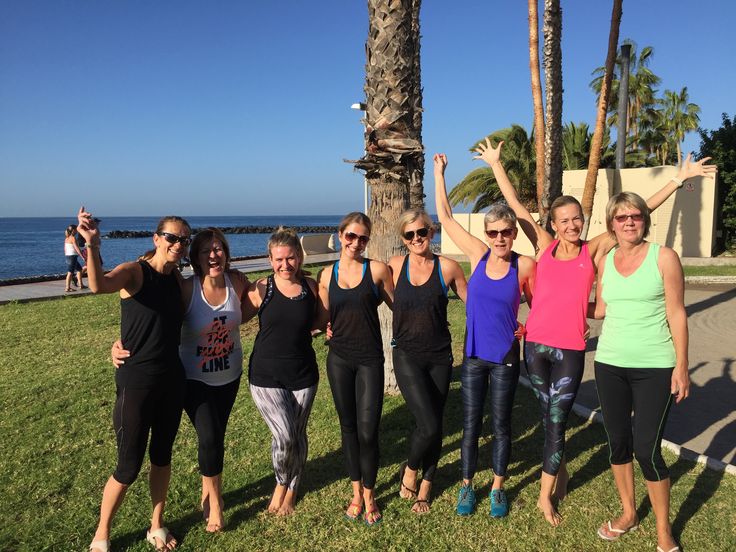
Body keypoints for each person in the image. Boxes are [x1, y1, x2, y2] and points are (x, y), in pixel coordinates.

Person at [474, 138, 716, 525]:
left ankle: (543, 496)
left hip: (570, 348)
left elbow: (636, 212)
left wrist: (678, 179)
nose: (571, 225)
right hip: (534, 347)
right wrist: (496, 166)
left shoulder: (592, 250)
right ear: (553, 225)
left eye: (577, 219)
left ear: (583, 222)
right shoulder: (545, 246)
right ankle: (562, 467)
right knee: (547, 413)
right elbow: (517, 208)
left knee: (557, 419)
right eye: (564, 220)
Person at [112, 228, 248, 533]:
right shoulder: (186, 288)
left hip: (229, 375)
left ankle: (207, 492)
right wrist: (119, 343)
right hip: (192, 378)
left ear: (226, 252)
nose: (214, 255)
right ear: (195, 258)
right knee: (210, 438)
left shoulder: (237, 281)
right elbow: (151, 318)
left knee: (216, 438)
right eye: (206, 251)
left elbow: (252, 308)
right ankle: (215, 504)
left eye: (219, 249)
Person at [78, 207, 191, 552]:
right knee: (128, 466)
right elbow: (98, 285)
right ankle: (102, 533)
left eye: (184, 240)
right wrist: (93, 246)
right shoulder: (134, 273)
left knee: (162, 457)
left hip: (172, 380)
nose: (177, 244)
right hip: (136, 382)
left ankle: (156, 525)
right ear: (156, 239)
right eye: (171, 237)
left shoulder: (178, 281)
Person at [434, 154, 536, 518]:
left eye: (505, 232)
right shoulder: (477, 256)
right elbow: (445, 218)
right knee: (470, 424)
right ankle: (466, 487)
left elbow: (539, 305)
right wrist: (439, 173)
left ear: (512, 233)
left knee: (502, 424)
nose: (498, 238)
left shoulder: (524, 264)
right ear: (486, 235)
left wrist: (529, 327)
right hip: (474, 356)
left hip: (507, 355)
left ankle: (496, 488)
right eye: (492, 233)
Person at [593, 193, 688, 552]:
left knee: (647, 449)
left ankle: (664, 530)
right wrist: (553, 307)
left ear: (645, 220)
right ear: (611, 224)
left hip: (655, 365)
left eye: (636, 215)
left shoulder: (664, 257)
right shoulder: (605, 261)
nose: (630, 221)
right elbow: (600, 309)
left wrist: (682, 365)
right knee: (618, 442)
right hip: (610, 363)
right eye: (622, 217)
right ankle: (629, 512)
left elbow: (677, 313)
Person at [317, 212, 394, 525]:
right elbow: (322, 316)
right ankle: (356, 494)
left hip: (369, 360)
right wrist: (324, 328)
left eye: (363, 238)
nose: (356, 243)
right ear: (339, 236)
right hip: (339, 360)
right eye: (351, 236)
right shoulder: (326, 274)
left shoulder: (376, 270)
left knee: (368, 430)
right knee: (348, 429)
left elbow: (399, 306)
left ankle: (371, 493)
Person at [388, 208, 467, 514]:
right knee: (430, 423)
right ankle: (410, 469)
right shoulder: (394, 267)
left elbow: (474, 300)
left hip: (440, 356)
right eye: (410, 235)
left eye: (422, 232)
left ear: (431, 232)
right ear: (403, 239)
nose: (417, 238)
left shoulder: (448, 268)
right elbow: (364, 296)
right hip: (406, 354)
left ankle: (426, 484)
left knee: (434, 420)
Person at [246, 227, 325, 516]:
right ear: (270, 259)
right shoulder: (261, 288)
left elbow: (322, 319)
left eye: (290, 258)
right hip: (265, 375)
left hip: (303, 373)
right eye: (278, 259)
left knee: (298, 433)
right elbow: (230, 317)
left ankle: (291, 489)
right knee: (285, 436)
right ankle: (281, 482)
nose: (285, 265)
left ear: (299, 257)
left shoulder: (311, 288)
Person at [64, 224, 85, 292]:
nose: (77, 231)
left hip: (69, 256)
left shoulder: (67, 238)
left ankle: (81, 285)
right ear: (73, 230)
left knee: (79, 269)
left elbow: (65, 248)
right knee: (70, 272)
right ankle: (67, 288)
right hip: (72, 257)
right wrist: (82, 256)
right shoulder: (73, 238)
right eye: (76, 230)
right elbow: (77, 248)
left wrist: (67, 255)